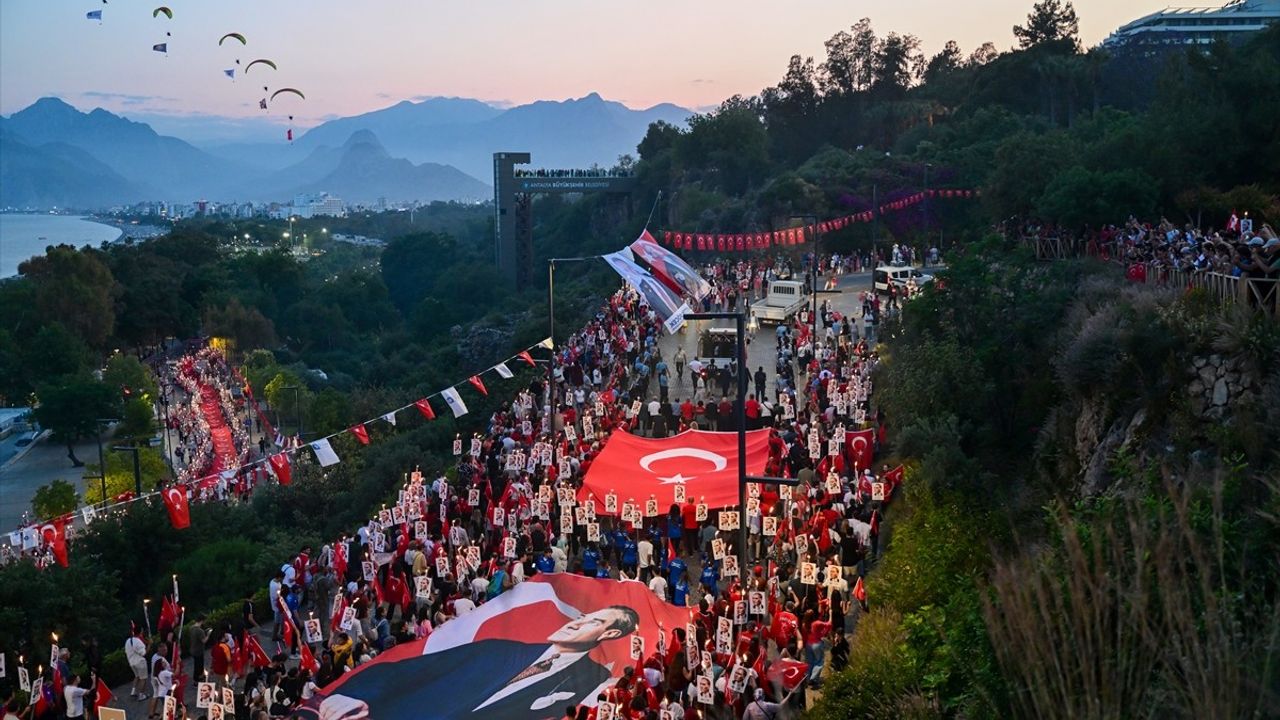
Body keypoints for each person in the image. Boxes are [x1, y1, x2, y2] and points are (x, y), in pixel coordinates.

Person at [302, 606, 640, 719]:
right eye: (582, 615)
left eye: (593, 622)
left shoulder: (593, 683)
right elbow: (412, 668)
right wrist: (359, 692)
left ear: (609, 635)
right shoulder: (495, 649)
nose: (577, 621)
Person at [125, 628, 150, 700]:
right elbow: (144, 653)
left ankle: (133, 691)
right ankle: (141, 695)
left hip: (132, 662)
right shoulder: (138, 642)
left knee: (137, 676)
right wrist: (149, 645)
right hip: (140, 662)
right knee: (143, 678)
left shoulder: (128, 641)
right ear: (140, 632)